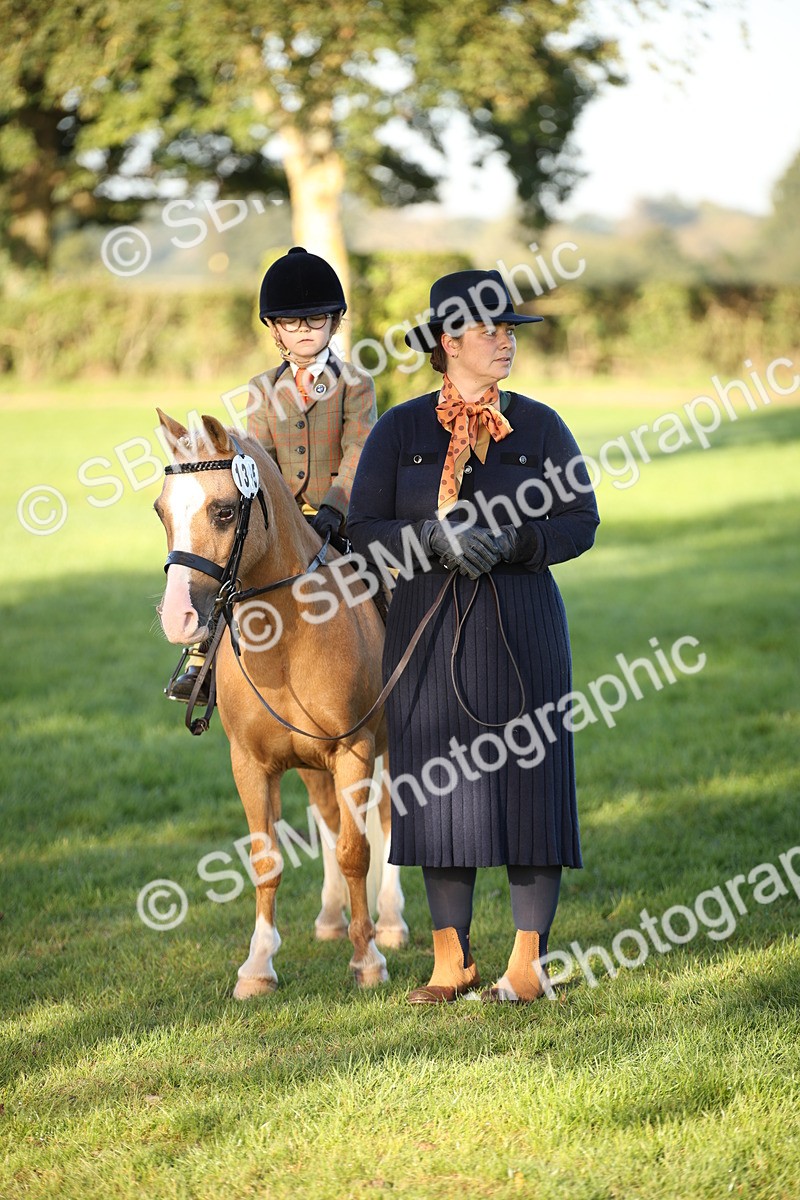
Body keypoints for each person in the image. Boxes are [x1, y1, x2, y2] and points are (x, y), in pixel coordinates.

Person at [347, 269, 599, 1004]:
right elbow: (363, 531)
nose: (505, 342)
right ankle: (449, 962)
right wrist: (430, 538)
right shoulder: (399, 429)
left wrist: (516, 540)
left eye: (510, 330)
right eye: (490, 329)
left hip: (525, 628)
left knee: (532, 787)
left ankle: (527, 965)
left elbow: (581, 522)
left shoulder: (543, 425)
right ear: (447, 340)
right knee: (435, 791)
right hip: (425, 629)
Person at [166, 246, 377, 703]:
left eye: (315, 319)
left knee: (387, 574)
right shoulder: (263, 388)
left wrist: (334, 509)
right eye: (291, 322)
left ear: (334, 323)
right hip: (280, 515)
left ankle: (402, 663)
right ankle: (203, 662)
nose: (304, 330)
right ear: (275, 330)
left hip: (340, 514)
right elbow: (258, 456)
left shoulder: (357, 384)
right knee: (231, 569)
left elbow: (358, 448)